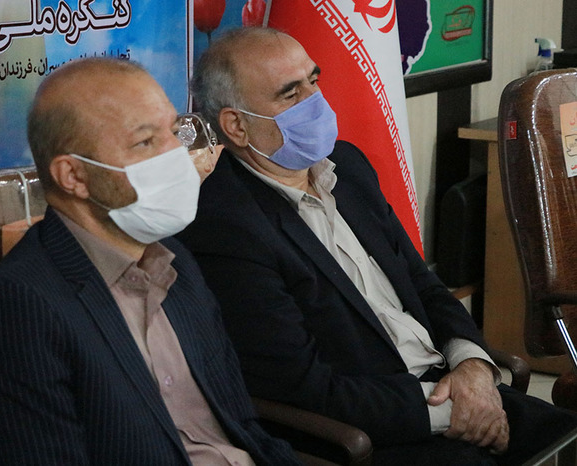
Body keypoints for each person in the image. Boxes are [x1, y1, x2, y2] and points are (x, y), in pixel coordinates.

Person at [177, 27, 577, 465]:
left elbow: (423, 285)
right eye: (291, 94)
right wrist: (453, 411)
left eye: (314, 80)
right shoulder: (225, 225)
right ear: (236, 125)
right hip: (379, 429)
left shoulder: (347, 167)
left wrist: (474, 367)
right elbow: (302, 388)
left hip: (457, 386)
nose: (315, 100)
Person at [0, 57, 301, 465]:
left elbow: (243, 426)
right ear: (73, 176)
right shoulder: (21, 310)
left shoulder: (175, 261)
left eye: (173, 131)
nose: (176, 154)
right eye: (145, 142)